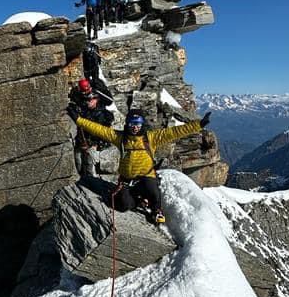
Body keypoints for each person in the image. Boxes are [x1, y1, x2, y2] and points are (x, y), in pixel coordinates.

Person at [66, 108, 207, 225]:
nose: (135, 127)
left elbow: (175, 132)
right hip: (127, 181)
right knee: (123, 205)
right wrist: (78, 119)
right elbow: (99, 129)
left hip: (146, 176)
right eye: (132, 123)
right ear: (127, 123)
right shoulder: (120, 138)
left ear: (142, 124)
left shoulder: (151, 137)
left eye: (138, 123)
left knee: (152, 188)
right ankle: (139, 200)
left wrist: (199, 124)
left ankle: (157, 210)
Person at [68, 77, 115, 177]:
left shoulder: (98, 93)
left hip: (95, 134)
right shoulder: (77, 98)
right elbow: (72, 106)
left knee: (89, 163)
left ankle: (89, 180)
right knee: (78, 161)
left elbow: (110, 100)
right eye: (85, 91)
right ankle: (82, 177)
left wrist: (97, 100)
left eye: (88, 89)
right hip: (82, 133)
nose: (87, 92)